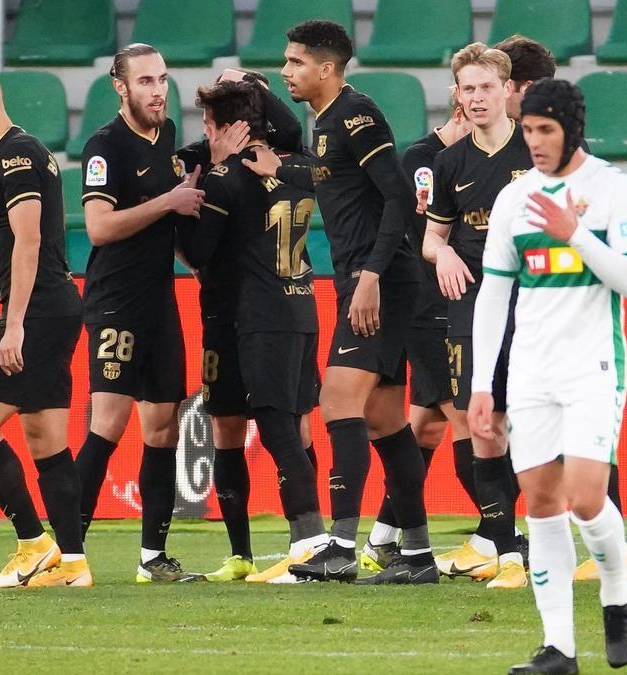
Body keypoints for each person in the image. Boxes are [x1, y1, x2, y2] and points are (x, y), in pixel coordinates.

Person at [247, 20, 437, 585]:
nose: (286, 72)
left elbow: (398, 195)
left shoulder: (357, 115)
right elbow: (337, 180)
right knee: (384, 419)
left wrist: (373, 275)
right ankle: (419, 555)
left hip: (379, 277)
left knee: (336, 401)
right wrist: (281, 168)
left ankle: (340, 545)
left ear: (326, 68)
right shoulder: (328, 123)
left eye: (295, 62)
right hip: (367, 276)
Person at [469, 78, 627, 673]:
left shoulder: (616, 191)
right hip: (530, 373)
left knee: (587, 500)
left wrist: (577, 237)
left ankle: (617, 591)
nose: (535, 142)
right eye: (528, 130)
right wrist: (481, 385)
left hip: (592, 366)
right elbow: (493, 295)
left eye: (546, 130)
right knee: (540, 504)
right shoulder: (514, 201)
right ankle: (559, 649)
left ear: (572, 128)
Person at [494, 33, 627, 582]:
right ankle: (512, 545)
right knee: (540, 467)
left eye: (503, 83)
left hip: (577, 334)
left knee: (584, 462)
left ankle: (608, 556)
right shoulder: (513, 162)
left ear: (524, 88)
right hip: (526, 315)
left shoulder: (583, 177)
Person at [181, 79, 331, 585]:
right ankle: (297, 546)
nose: (203, 131)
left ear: (229, 128)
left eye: (209, 123)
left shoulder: (226, 178)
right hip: (301, 307)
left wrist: (180, 201)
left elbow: (198, 252)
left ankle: (310, 546)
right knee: (287, 424)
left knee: (276, 427)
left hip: (259, 317)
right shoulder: (294, 163)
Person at [0, 71, 89, 589]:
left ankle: (33, 543)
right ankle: (73, 564)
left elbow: (28, 246)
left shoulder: (16, 156)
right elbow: (28, 253)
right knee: (46, 437)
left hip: (40, 310)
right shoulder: (22, 152)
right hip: (53, 304)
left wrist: (15, 325)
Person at [76, 44, 206, 583]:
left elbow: (168, 220)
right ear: (120, 87)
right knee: (108, 422)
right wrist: (169, 204)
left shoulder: (168, 136)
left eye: (163, 79)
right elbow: (99, 227)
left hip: (159, 302)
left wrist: (194, 263)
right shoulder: (104, 145)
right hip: (115, 300)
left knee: (162, 427)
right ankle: (64, 550)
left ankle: (153, 557)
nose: (158, 91)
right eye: (146, 81)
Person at [422, 43, 532, 589]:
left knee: (536, 427)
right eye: (468, 89)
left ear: (507, 90)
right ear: (458, 96)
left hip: (534, 306)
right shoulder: (450, 162)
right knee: (484, 425)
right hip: (471, 309)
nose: (478, 97)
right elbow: (431, 237)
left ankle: (569, 543)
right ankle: (510, 554)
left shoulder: (537, 150)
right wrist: (441, 253)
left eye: (487, 87)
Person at [360, 88, 473, 574]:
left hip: (454, 303)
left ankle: (382, 540)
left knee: (427, 427)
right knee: (470, 419)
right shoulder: (424, 160)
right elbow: (426, 226)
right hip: (429, 306)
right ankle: (505, 534)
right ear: (460, 111)